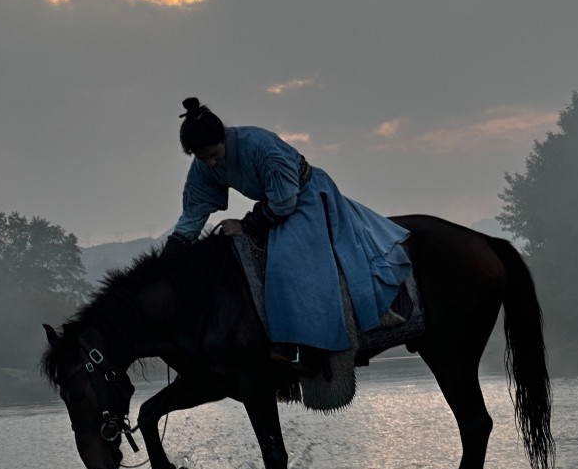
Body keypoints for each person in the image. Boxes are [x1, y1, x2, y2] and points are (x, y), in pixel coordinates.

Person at [168, 97, 411, 367]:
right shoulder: (204, 166)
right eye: (203, 158)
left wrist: (245, 225)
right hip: (274, 203)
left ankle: (298, 344)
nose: (211, 163)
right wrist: (174, 250)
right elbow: (195, 210)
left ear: (223, 137)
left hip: (304, 197)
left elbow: (284, 201)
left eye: (214, 154)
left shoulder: (260, 146)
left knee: (285, 261)